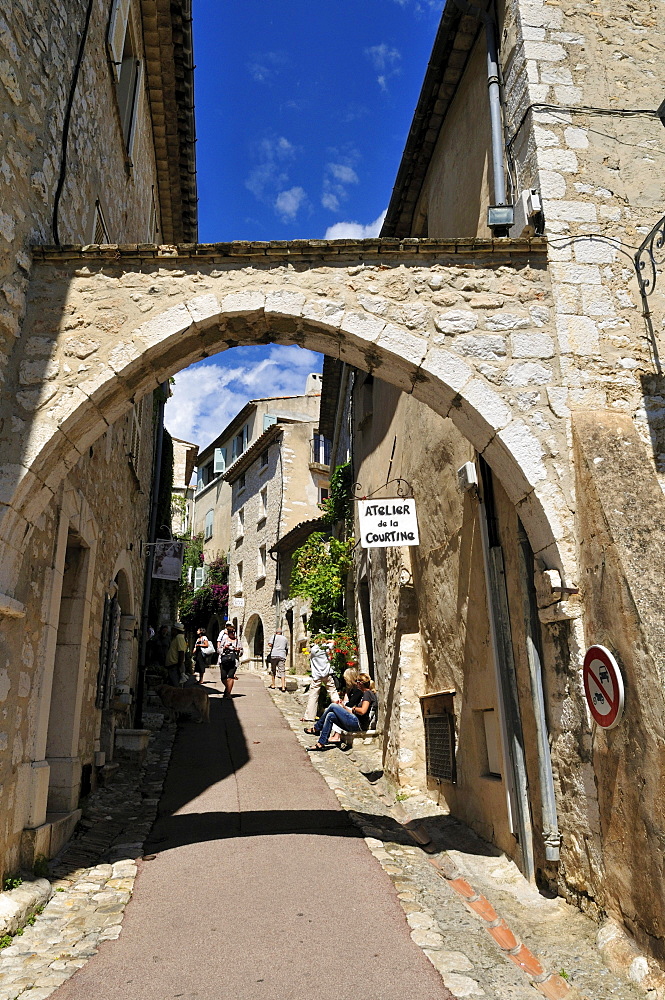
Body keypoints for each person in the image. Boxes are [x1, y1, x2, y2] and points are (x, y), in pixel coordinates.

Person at [305, 673, 377, 750]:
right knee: (330, 715)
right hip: (356, 720)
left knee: (333, 706)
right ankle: (321, 743)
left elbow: (363, 711)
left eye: (357, 682)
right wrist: (344, 708)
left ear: (360, 683)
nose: (356, 684)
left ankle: (317, 728)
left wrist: (354, 709)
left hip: (359, 724)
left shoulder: (367, 694)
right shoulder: (366, 694)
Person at [303, 639, 339, 722]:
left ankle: (309, 716)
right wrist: (327, 641)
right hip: (326, 674)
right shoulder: (324, 648)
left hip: (317, 676)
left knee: (313, 696)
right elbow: (333, 642)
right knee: (333, 692)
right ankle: (339, 709)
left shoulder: (313, 650)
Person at [218, 624, 241, 699]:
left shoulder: (238, 641)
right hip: (224, 660)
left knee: (230, 677)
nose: (233, 633)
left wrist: (238, 650)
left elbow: (241, 652)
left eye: (234, 632)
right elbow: (219, 650)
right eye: (231, 632)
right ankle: (227, 690)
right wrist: (224, 648)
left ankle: (228, 694)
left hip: (233, 661)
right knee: (223, 677)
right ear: (228, 633)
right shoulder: (224, 640)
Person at [165, 622, 188, 687]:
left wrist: (179, 666)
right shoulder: (176, 638)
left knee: (176, 686)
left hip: (175, 666)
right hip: (173, 665)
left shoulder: (179, 637)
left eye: (173, 630)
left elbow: (181, 652)